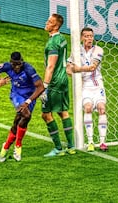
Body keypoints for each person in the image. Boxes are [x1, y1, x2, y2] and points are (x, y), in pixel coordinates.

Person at [66, 27, 108, 152]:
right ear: (81, 38)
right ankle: (90, 141)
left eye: (91, 36)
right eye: (86, 36)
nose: (89, 38)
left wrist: (76, 69)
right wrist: (72, 69)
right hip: (84, 87)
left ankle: (102, 142)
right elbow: (68, 69)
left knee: (102, 109)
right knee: (88, 108)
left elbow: (92, 67)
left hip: (97, 85)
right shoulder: (76, 50)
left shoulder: (98, 50)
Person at [41, 13, 76, 157]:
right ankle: (71, 146)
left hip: (54, 82)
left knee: (46, 114)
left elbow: (50, 66)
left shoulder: (53, 43)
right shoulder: (62, 39)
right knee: (63, 112)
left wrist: (44, 86)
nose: (46, 23)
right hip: (63, 80)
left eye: (49, 22)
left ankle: (58, 148)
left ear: (55, 25)